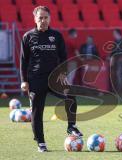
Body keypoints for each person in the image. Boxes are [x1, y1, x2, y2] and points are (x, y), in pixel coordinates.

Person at [20, 6, 83, 152]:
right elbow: (23, 61)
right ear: (35, 19)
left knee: (71, 95)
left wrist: (63, 73)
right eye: (40, 18)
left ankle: (71, 126)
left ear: (50, 18)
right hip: (36, 79)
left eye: (45, 17)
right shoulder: (28, 37)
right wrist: (24, 80)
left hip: (55, 78)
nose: (43, 20)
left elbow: (63, 57)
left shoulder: (56, 36)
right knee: (37, 112)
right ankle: (41, 142)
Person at [109, 29, 122, 93]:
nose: (113, 34)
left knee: (119, 74)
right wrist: (110, 57)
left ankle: (120, 90)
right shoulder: (115, 42)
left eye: (114, 33)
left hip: (121, 61)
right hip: (115, 61)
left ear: (118, 33)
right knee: (116, 75)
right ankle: (116, 89)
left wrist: (121, 59)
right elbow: (112, 52)